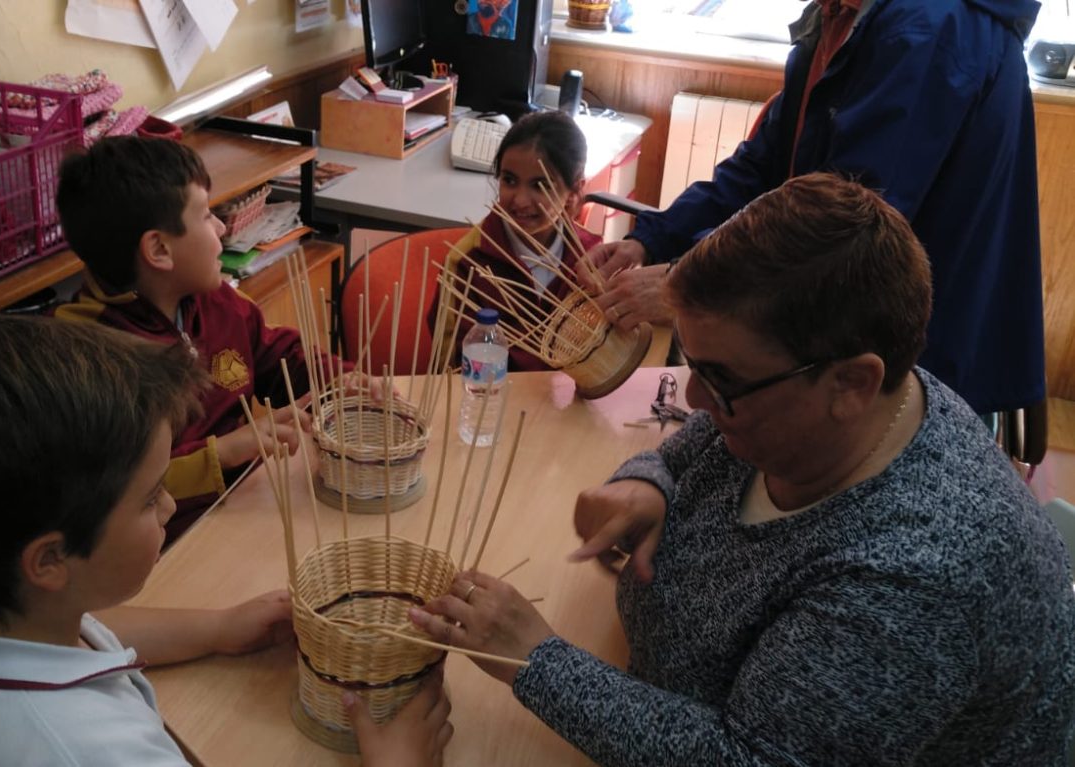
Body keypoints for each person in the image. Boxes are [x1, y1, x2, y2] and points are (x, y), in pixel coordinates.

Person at [410, 174, 1075, 764]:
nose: (696, 401)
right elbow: (698, 442)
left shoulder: (916, 580)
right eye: (692, 366)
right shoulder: (829, 396)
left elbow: (751, 753)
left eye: (720, 379)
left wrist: (537, 660)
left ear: (852, 383)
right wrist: (648, 480)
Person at [0, 316, 453, 766]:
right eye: (150, 498)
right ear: (49, 559)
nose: (170, 506)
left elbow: (71, 627)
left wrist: (213, 629)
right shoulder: (97, 752)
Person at [579, 0, 1045, 417]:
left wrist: (690, 280)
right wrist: (652, 239)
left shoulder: (926, 27)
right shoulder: (838, 18)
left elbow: (847, 228)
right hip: (852, 331)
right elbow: (762, 165)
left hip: (918, 361)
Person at [54, 136, 356, 542]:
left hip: (245, 503)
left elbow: (273, 353)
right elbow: (114, 489)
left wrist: (338, 381)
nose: (220, 227)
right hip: (166, 541)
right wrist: (225, 451)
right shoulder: (90, 355)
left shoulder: (215, 298)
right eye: (206, 215)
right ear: (159, 249)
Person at [431, 110, 601, 371]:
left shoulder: (592, 259)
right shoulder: (467, 262)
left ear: (575, 191)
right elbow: (447, 373)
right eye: (509, 180)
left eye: (540, 185)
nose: (520, 200)